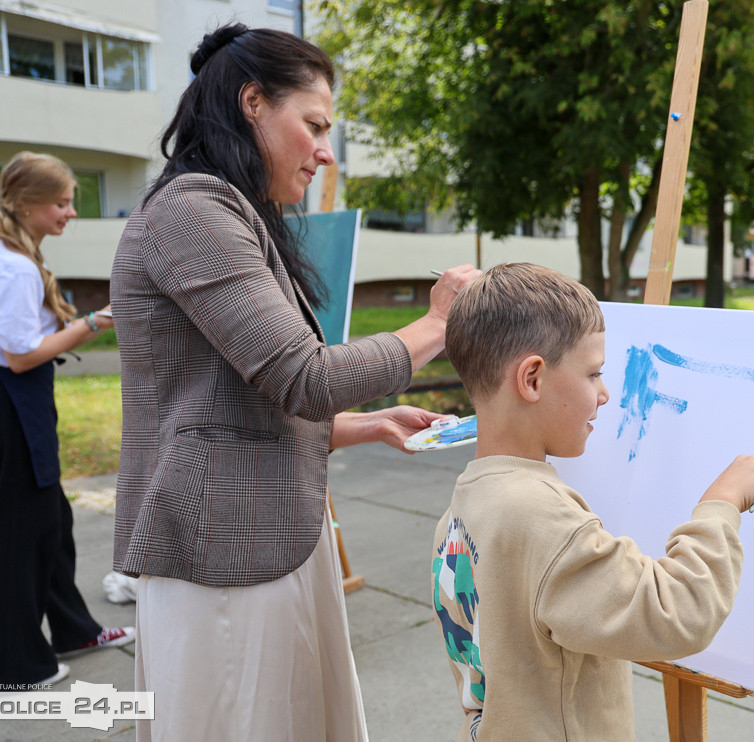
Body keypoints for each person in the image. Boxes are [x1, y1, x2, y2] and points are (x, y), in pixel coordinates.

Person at [110, 23, 479, 742]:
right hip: (221, 552)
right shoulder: (193, 211)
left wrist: (367, 424)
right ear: (252, 102)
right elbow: (303, 377)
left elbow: (233, 402)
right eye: (313, 125)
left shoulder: (232, 211)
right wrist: (438, 324)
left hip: (262, 539)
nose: (324, 151)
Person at [432, 263, 754, 741]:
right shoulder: (540, 519)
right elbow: (680, 613)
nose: (605, 393)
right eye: (594, 373)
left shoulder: (460, 509)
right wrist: (721, 503)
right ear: (532, 379)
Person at [0, 152, 135, 699]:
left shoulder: (13, 255)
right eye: (62, 202)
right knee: (21, 532)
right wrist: (94, 322)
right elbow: (21, 356)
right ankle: (4, 667)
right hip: (7, 400)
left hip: (13, 401)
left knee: (50, 519)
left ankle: (72, 632)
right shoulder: (13, 267)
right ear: (28, 204)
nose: (70, 213)